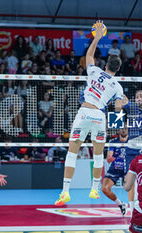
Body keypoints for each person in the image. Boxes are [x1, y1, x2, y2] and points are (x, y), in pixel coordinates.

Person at [55, 21, 125, 205]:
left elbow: (89, 55)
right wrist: (117, 124)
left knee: (72, 152)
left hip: (84, 113)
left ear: (106, 64)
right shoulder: (117, 86)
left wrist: (97, 38)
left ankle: (65, 191)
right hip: (99, 117)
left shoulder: (94, 71)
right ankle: (94, 189)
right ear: (118, 69)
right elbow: (117, 109)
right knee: (98, 154)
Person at [102, 127, 140, 215]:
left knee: (130, 187)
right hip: (115, 168)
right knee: (105, 189)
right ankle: (121, 204)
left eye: (125, 129)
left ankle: (133, 210)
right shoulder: (113, 142)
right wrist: (110, 158)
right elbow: (109, 157)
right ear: (118, 130)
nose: (123, 130)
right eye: (122, 129)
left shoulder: (133, 141)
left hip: (128, 168)